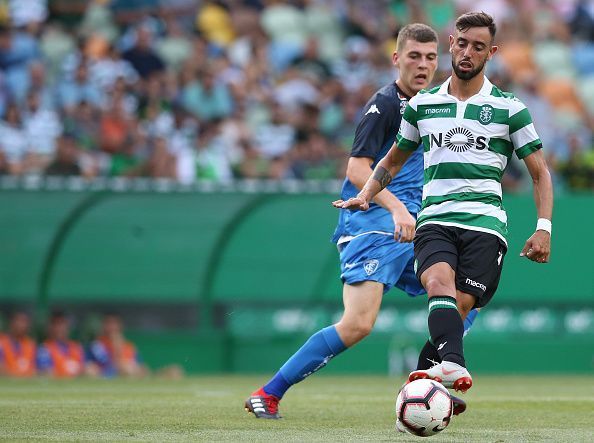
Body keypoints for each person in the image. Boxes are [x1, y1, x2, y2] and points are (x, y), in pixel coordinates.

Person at [245, 23, 476, 420]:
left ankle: (425, 383)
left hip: (412, 227)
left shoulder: (437, 104)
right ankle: (268, 393)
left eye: (430, 57)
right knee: (357, 325)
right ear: (396, 59)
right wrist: (398, 209)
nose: (423, 65)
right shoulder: (385, 105)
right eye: (414, 56)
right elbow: (356, 169)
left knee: (467, 297)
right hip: (372, 225)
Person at [335, 12, 553, 395]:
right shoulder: (423, 104)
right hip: (434, 218)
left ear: (492, 52)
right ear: (451, 44)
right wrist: (367, 193)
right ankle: (452, 366)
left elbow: (539, 174)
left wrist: (543, 227)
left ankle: (421, 389)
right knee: (438, 284)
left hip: (485, 223)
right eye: (463, 44)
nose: (468, 53)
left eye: (479, 47)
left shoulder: (510, 108)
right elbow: (391, 161)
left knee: (461, 306)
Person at [87, 313, 148, 378]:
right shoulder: (96, 345)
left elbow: (142, 368)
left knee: (129, 369)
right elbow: (90, 365)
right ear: (103, 325)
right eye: (108, 323)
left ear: (120, 325)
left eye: (114, 323)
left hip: (124, 378)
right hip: (102, 376)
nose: (112, 327)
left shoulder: (128, 346)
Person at [37, 311, 87, 378]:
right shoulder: (44, 348)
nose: (59, 328)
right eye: (56, 324)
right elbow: (46, 372)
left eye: (62, 324)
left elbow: (86, 369)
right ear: (50, 327)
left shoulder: (77, 347)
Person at [0, 311, 36, 377]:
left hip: (27, 383)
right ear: (11, 322)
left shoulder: (31, 344)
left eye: (25, 322)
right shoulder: (2, 342)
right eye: (19, 321)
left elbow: (36, 370)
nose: (22, 325)